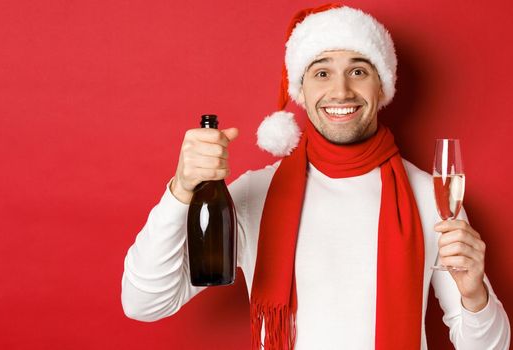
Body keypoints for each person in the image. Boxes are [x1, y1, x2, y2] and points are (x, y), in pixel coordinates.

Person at [121, 4, 510, 350]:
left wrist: (475, 295)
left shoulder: (433, 197)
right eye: (321, 72)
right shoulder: (254, 193)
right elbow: (144, 303)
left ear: (383, 86)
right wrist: (181, 189)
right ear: (301, 92)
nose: (340, 91)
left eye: (358, 70)